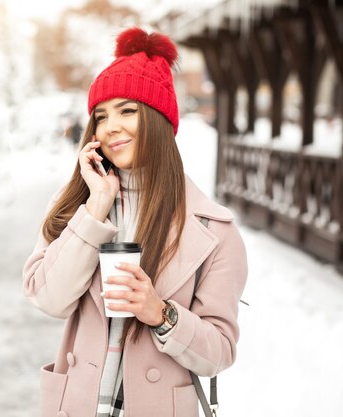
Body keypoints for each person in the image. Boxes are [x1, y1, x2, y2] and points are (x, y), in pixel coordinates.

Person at [23, 27, 247, 417]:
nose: (111, 127)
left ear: (159, 121)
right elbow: (48, 298)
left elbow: (220, 352)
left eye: (128, 111)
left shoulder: (213, 229)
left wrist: (162, 314)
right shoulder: (77, 207)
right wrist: (97, 207)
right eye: (101, 116)